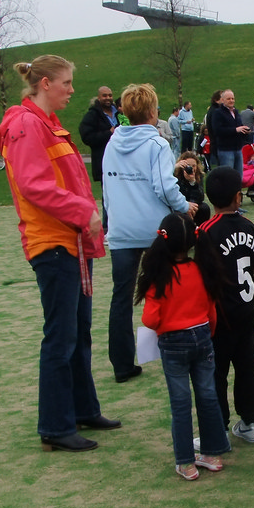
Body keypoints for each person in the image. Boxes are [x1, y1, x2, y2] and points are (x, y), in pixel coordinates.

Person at [0, 54, 117, 452]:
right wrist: (83, 211)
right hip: (53, 244)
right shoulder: (27, 125)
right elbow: (33, 185)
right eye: (66, 83)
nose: (72, 90)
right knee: (61, 338)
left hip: (71, 242)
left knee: (78, 333)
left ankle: (82, 409)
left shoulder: (47, 124)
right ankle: (55, 426)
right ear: (45, 84)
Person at [102, 83, 194, 384]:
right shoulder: (157, 144)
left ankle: (122, 364)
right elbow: (165, 187)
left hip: (121, 230)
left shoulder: (112, 143)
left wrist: (111, 222)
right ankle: (172, 349)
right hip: (154, 230)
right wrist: (185, 207)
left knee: (121, 297)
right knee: (167, 289)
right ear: (153, 111)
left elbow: (107, 188)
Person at [137, 212, 230, 481]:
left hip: (173, 343)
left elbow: (150, 319)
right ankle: (213, 453)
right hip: (202, 336)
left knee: (180, 403)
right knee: (208, 396)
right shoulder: (202, 270)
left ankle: (186, 461)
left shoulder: (160, 277)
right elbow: (211, 311)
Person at [197, 166, 254, 444]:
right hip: (246, 311)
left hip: (220, 315)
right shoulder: (249, 226)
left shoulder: (205, 231)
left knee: (216, 373)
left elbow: (201, 275)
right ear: (238, 197)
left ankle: (217, 430)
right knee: (247, 367)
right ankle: (250, 423)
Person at [78, 85, 118, 185]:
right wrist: (109, 133)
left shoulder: (120, 112)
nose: (108, 98)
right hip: (104, 162)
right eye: (104, 96)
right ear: (98, 98)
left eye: (110, 95)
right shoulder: (92, 115)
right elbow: (87, 137)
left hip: (121, 162)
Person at [208, 90, 250, 170]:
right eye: (228, 99)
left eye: (232, 98)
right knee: (228, 175)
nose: (231, 101)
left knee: (239, 175)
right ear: (222, 100)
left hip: (238, 149)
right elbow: (218, 131)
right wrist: (235, 130)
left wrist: (244, 130)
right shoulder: (218, 113)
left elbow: (239, 127)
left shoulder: (236, 112)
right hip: (226, 150)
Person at [174, 150, 211, 226]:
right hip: (179, 203)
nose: (191, 168)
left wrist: (193, 182)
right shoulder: (176, 175)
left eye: (194, 166)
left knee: (204, 208)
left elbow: (200, 197)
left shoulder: (198, 175)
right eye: (188, 166)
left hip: (193, 203)